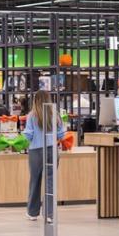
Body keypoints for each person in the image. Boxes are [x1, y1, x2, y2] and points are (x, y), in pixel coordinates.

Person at [23, 90, 66, 221]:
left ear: (35, 100)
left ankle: (32, 212)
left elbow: (28, 134)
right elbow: (61, 134)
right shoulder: (55, 114)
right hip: (52, 149)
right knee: (50, 182)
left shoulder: (31, 115)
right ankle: (49, 214)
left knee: (35, 181)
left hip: (35, 151)